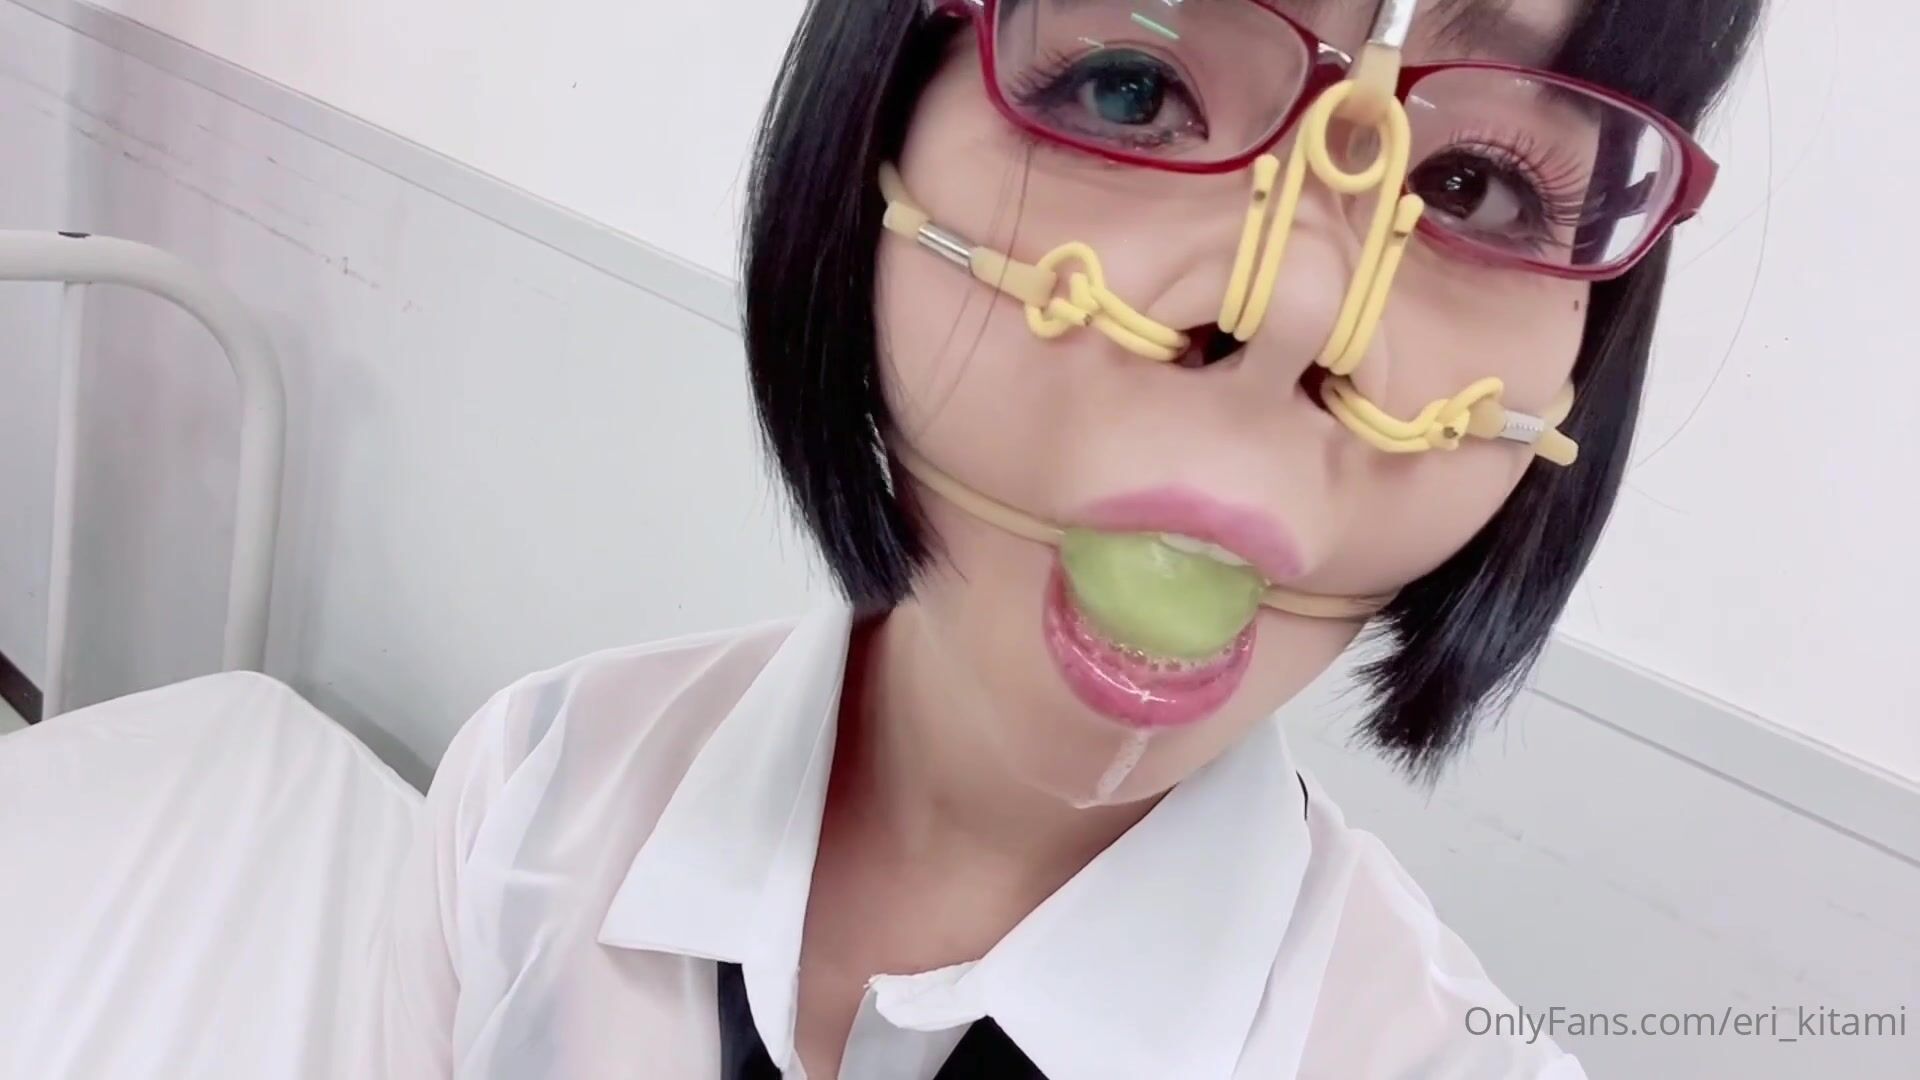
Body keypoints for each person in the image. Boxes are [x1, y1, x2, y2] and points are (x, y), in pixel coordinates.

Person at [361, 0, 1762, 1076]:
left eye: (1476, 190)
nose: (1293, 315)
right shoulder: (528, 798)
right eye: (1131, 84)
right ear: (877, 111)